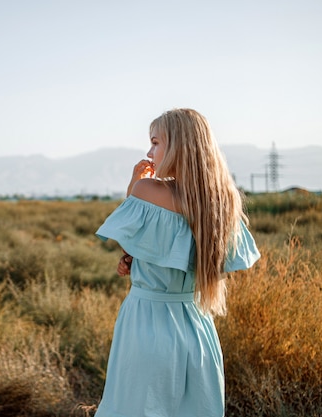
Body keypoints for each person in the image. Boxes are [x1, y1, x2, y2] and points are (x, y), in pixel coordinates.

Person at [94, 108, 260, 416]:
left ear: (179, 146)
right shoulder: (222, 204)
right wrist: (138, 259)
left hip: (147, 323)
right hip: (198, 329)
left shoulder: (146, 190)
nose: (149, 151)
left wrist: (133, 184)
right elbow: (197, 262)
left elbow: (127, 230)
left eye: (156, 142)